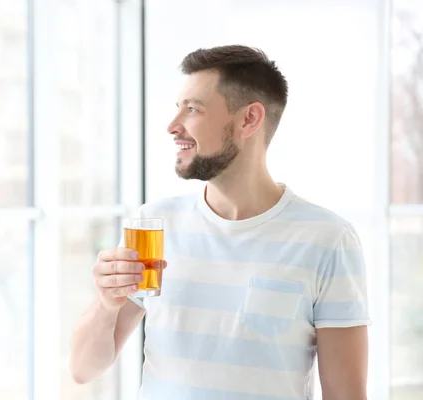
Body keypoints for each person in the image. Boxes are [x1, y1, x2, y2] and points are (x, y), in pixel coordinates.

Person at [69, 45, 370, 399]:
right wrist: (106, 303)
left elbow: (345, 395)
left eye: (193, 109)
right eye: (177, 108)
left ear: (249, 119)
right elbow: (82, 369)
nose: (172, 126)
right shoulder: (153, 224)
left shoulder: (327, 239)